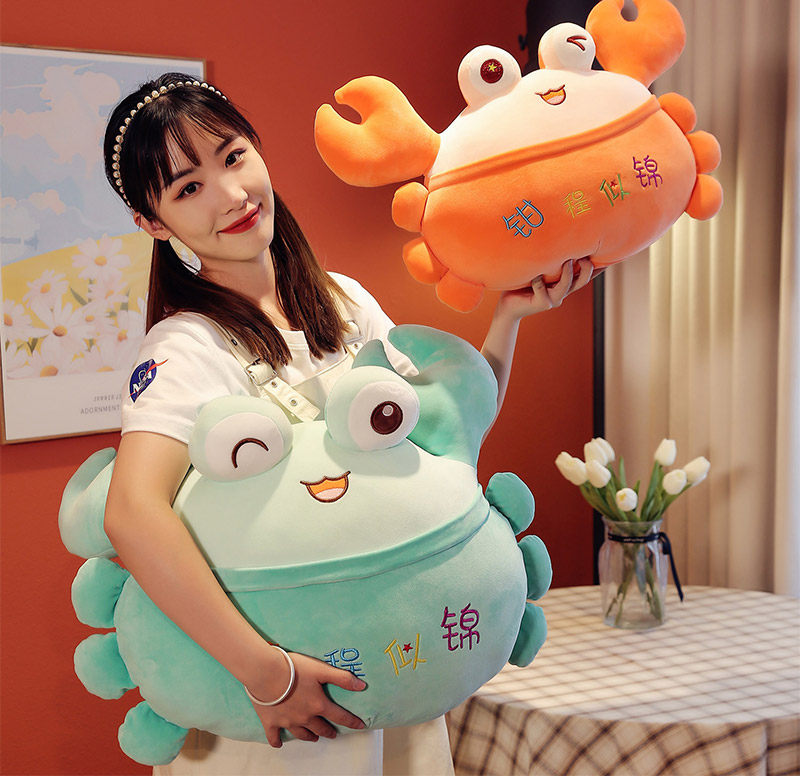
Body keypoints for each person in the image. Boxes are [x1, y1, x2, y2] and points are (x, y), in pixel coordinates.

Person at [102, 73, 593, 776]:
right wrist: (268, 675)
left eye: (234, 156)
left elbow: (440, 437)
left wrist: (508, 316)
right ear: (153, 223)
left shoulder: (342, 303)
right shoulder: (186, 348)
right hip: (280, 714)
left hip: (390, 673)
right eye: (188, 188)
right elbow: (132, 514)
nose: (232, 195)